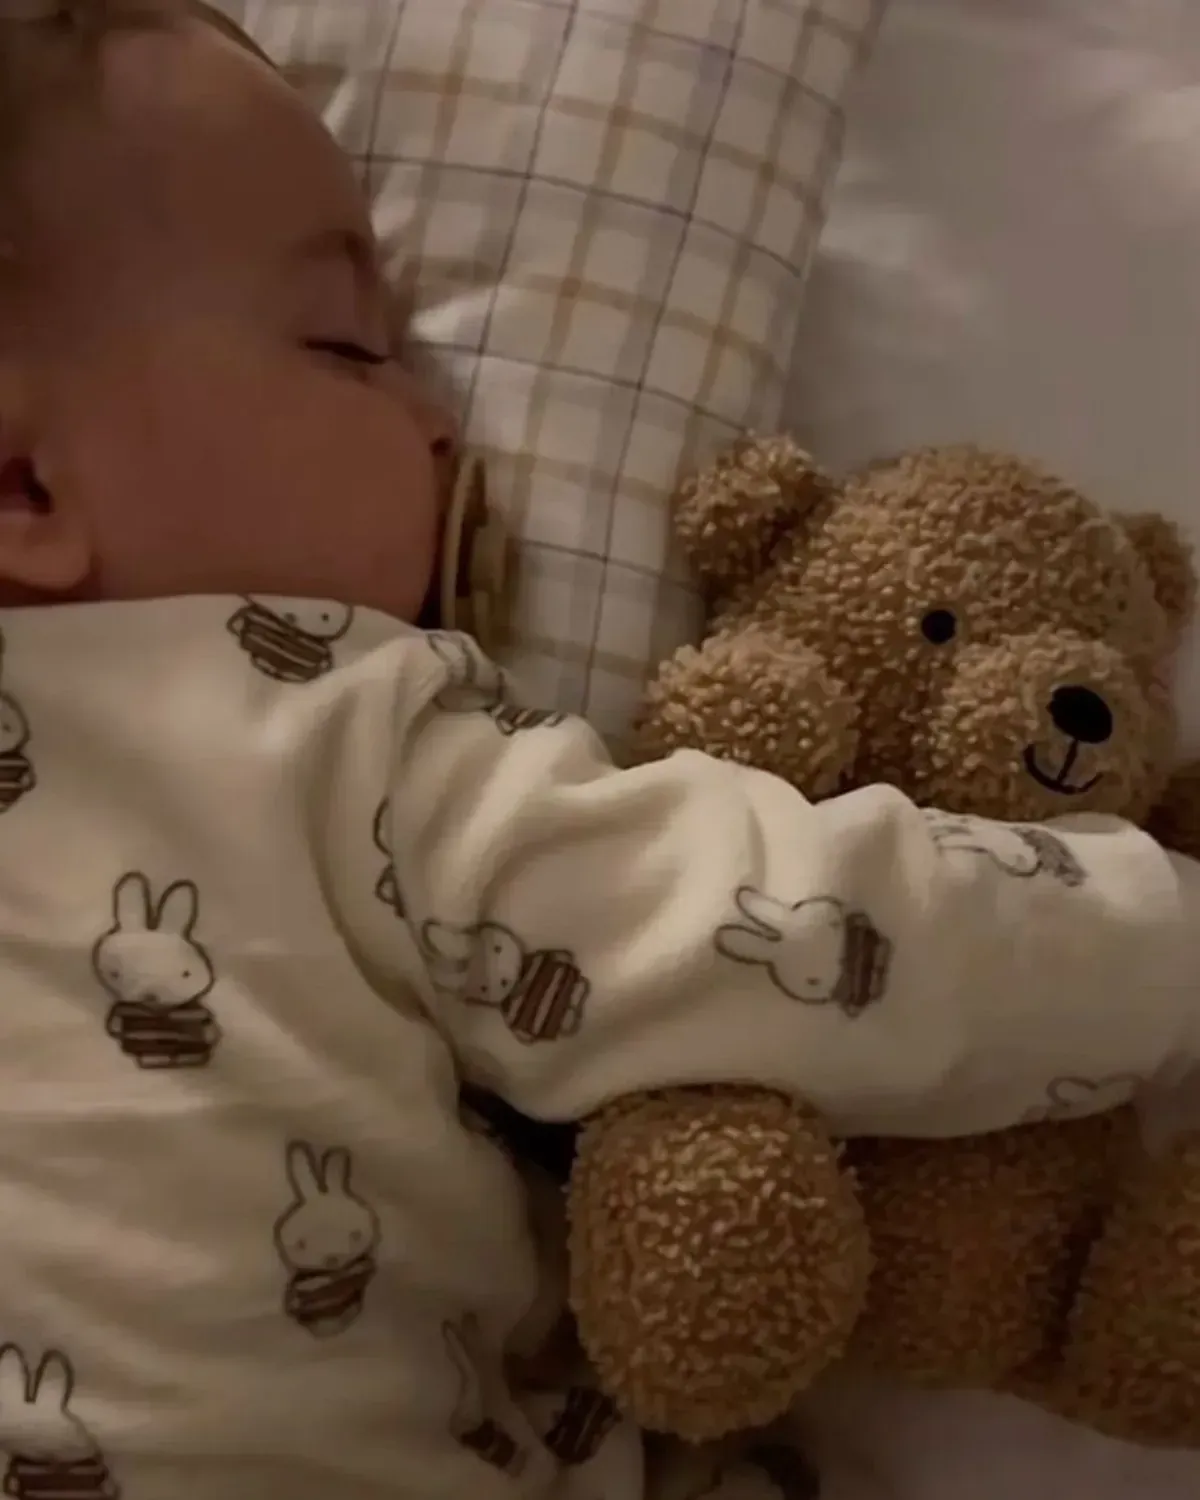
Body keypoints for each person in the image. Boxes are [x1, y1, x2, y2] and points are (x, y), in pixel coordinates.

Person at [0, 4, 1196, 1497]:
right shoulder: (313, 709)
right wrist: (1155, 931)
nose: (443, 422)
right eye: (347, 345)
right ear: (21, 483)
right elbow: (744, 928)